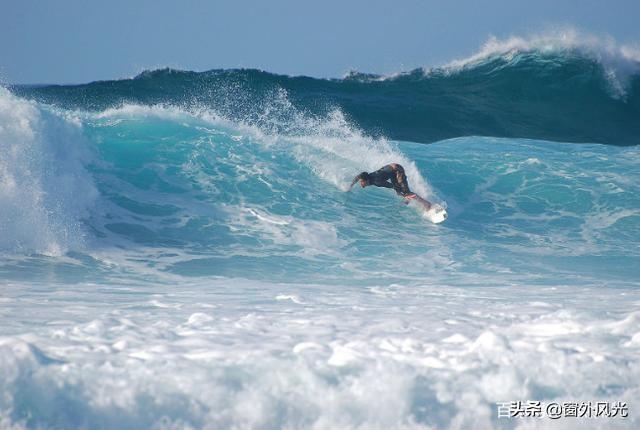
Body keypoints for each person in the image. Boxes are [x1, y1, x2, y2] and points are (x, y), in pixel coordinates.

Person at [349, 163, 419, 204]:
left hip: (397, 169)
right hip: (392, 173)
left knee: (403, 189)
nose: (360, 184)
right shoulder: (365, 176)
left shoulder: (376, 182)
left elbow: (392, 186)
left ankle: (419, 200)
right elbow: (357, 178)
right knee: (399, 192)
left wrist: (403, 193)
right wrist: (350, 186)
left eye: (361, 182)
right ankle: (409, 200)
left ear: (366, 180)